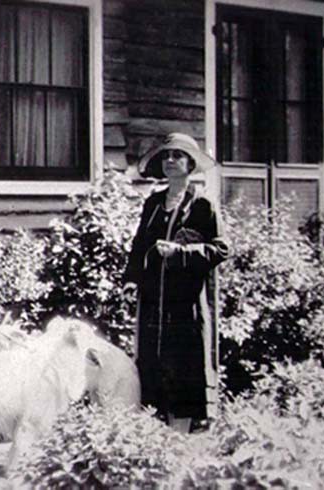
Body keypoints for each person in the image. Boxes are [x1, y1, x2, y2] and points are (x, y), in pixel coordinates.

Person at [122, 133, 229, 433]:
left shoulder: (203, 206)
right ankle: (156, 436)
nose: (170, 161)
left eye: (177, 156)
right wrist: (131, 280)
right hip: (153, 300)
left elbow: (221, 249)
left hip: (185, 304)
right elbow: (139, 246)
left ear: (190, 164)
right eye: (166, 157)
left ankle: (181, 438)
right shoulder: (154, 204)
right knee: (153, 361)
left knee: (183, 363)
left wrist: (181, 252)